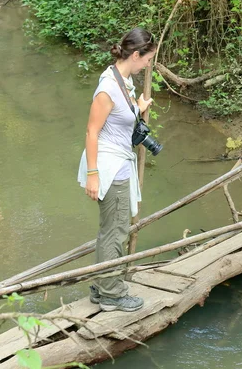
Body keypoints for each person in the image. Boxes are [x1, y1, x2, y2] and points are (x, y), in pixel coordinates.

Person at [77, 28, 156, 312]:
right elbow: (92, 131)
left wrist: (139, 106)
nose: (148, 65)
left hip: (118, 163)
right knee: (117, 231)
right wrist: (92, 175)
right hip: (111, 169)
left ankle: (101, 287)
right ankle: (112, 293)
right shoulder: (108, 88)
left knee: (108, 230)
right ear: (135, 55)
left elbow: (120, 113)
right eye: (147, 60)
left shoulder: (123, 79)